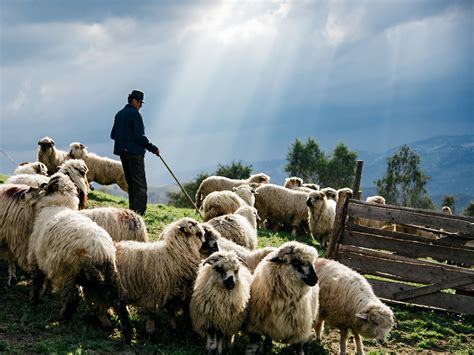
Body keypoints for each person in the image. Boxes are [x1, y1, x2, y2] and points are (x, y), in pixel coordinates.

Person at [111, 90, 159, 215]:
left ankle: (133, 210)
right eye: (139, 102)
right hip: (135, 154)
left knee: (131, 183)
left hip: (123, 153)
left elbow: (113, 135)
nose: (141, 105)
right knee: (140, 184)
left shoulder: (119, 114)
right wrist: (152, 148)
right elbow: (139, 136)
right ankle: (140, 212)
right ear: (133, 100)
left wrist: (124, 141)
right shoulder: (135, 114)